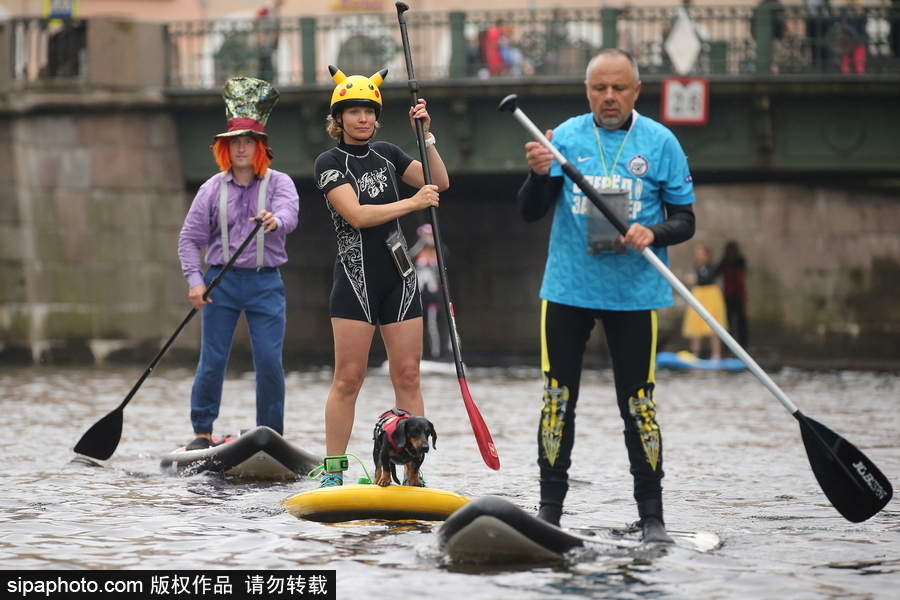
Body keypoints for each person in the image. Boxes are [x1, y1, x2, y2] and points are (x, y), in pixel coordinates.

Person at [517, 49, 696, 543]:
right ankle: (549, 511)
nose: (609, 97)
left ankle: (653, 516)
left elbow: (685, 220)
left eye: (619, 88)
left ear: (637, 90)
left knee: (639, 404)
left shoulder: (660, 143)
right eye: (600, 88)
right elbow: (531, 211)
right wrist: (536, 172)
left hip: (634, 293)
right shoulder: (565, 138)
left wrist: (652, 232)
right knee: (557, 399)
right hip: (569, 289)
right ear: (587, 90)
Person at [313, 66, 450, 487]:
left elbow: (438, 181)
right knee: (348, 378)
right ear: (339, 118)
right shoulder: (330, 162)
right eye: (353, 111)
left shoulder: (390, 153)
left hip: (401, 280)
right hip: (356, 282)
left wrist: (424, 134)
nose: (363, 119)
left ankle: (411, 472)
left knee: (407, 375)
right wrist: (412, 204)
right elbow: (354, 215)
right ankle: (334, 472)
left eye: (369, 111)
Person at [178, 77, 300, 450]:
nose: (241, 148)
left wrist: (274, 221)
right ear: (225, 148)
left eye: (248, 141)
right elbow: (190, 239)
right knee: (212, 360)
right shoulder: (211, 189)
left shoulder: (280, 183)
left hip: (266, 283)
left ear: (259, 147)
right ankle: (202, 430)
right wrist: (195, 281)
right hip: (220, 284)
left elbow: (289, 214)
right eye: (235, 142)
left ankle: (270, 433)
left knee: (268, 362)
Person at [681, 243, 726, 362]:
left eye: (700, 252)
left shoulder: (712, 266)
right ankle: (695, 353)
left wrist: (696, 278)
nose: (698, 255)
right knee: (695, 326)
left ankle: (716, 355)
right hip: (699, 295)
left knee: (713, 325)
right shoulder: (697, 266)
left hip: (710, 296)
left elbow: (709, 278)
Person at [410, 223, 447, 360]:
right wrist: (421, 243)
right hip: (419, 293)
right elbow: (408, 255)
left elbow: (445, 253)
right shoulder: (417, 251)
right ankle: (417, 353)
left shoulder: (437, 252)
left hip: (432, 294)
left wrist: (435, 242)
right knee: (416, 323)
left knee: (432, 324)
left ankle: (435, 354)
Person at [719, 240, 749, 347]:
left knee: (741, 320)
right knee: (728, 322)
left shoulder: (739, 261)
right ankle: (728, 346)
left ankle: (743, 345)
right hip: (728, 294)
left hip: (738, 294)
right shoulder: (724, 262)